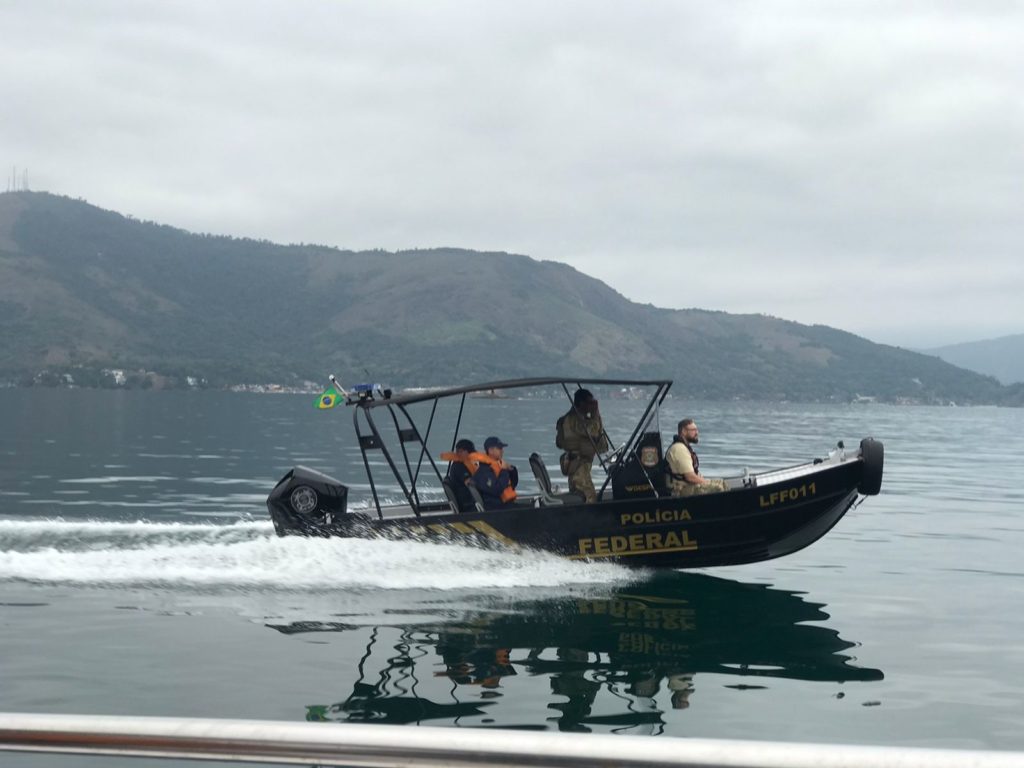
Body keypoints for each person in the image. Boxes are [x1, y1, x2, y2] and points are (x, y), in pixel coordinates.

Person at [556, 388, 609, 503]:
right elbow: (593, 431)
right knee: (589, 499)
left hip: (578, 466)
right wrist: (596, 413)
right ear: (581, 403)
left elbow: (599, 439)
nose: (592, 406)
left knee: (582, 498)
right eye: (589, 403)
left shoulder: (576, 419)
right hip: (579, 468)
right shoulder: (575, 420)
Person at [664, 419, 728, 496]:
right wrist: (706, 482)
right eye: (693, 430)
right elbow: (690, 477)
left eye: (697, 430)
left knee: (722, 482)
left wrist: (707, 481)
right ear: (684, 431)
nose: (697, 433)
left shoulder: (685, 447)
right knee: (718, 488)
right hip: (681, 489)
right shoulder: (679, 449)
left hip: (689, 485)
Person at [471, 436, 519, 509]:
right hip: (496, 508)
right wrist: (504, 471)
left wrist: (511, 471)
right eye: (499, 448)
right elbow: (496, 489)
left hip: (505, 504)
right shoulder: (484, 471)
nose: (502, 451)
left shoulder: (498, 466)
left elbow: (513, 484)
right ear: (490, 450)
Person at [440, 438, 478, 512]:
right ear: (460, 452)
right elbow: (469, 482)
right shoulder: (459, 467)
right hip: (468, 505)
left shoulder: (462, 464)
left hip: (468, 501)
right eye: (470, 453)